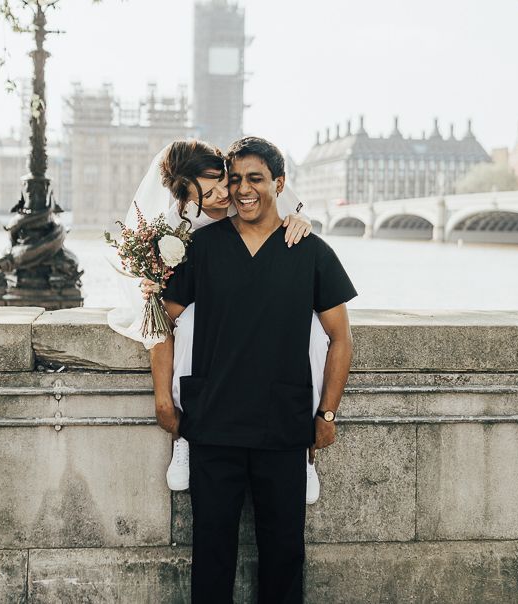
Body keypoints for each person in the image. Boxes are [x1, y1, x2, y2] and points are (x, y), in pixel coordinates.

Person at [150, 136, 357, 602]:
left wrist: (326, 413)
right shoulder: (200, 248)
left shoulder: (310, 250)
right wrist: (163, 397)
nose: (243, 189)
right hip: (212, 425)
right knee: (211, 559)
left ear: (279, 183)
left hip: (282, 426)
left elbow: (341, 338)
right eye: (236, 179)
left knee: (285, 558)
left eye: (256, 179)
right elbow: (161, 323)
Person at [109, 140, 326, 504]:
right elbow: (168, 307)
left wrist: (300, 221)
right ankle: (186, 438)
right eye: (208, 194)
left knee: (316, 334)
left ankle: (304, 448)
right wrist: (155, 284)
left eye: (222, 182)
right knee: (190, 326)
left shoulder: (249, 182)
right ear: (186, 201)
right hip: (205, 298)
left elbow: (300, 220)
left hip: (267, 292)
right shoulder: (171, 222)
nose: (225, 195)